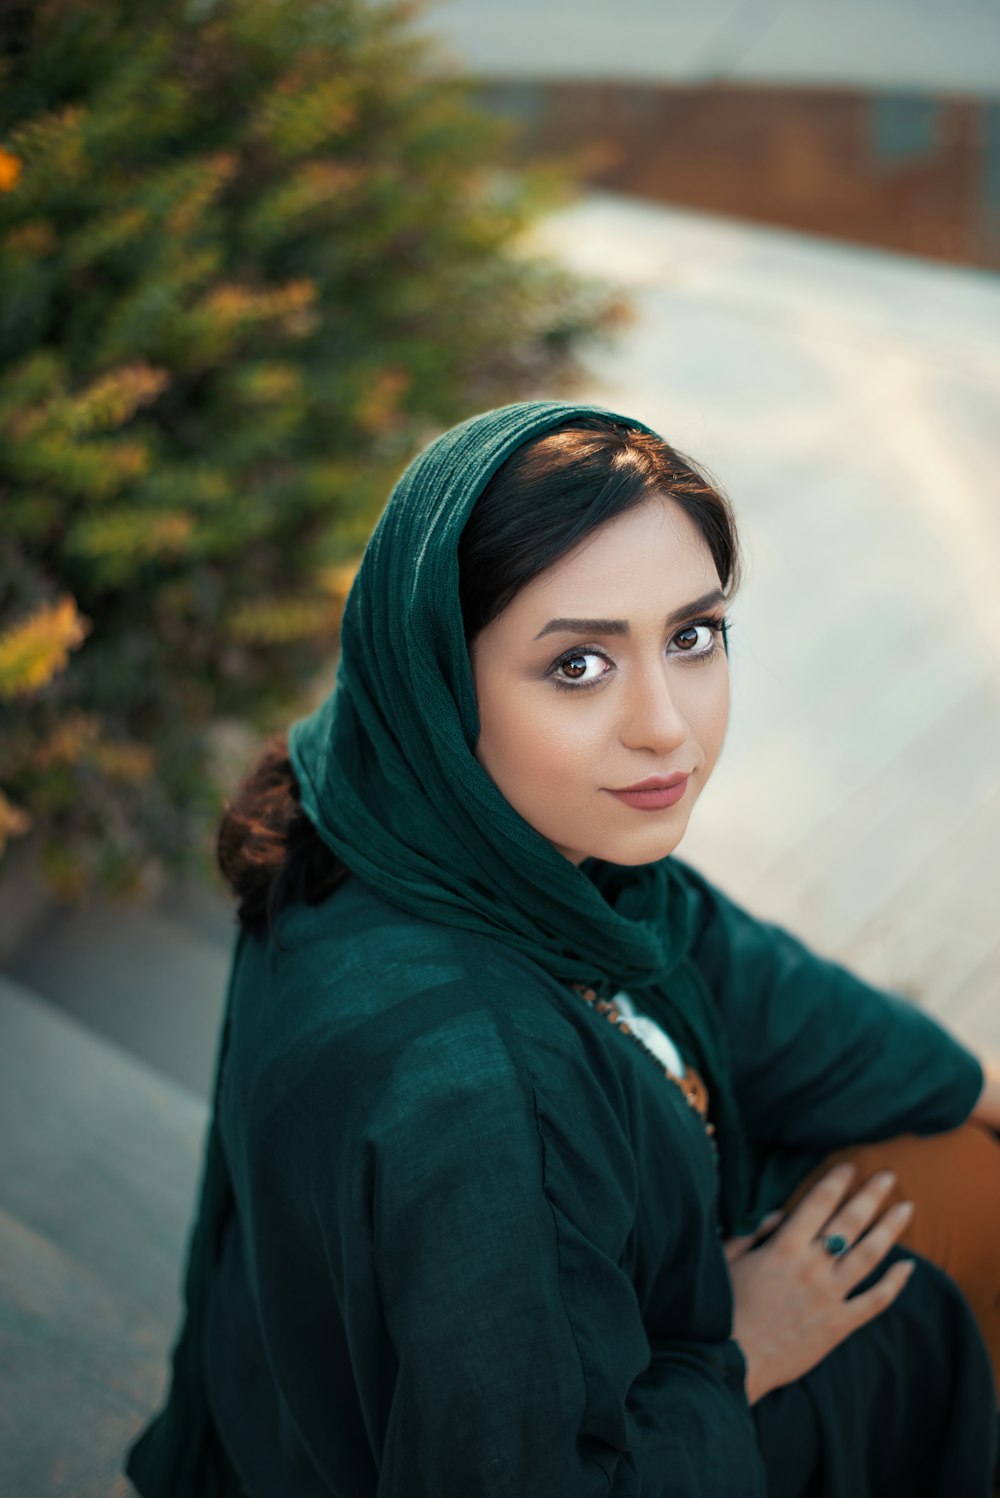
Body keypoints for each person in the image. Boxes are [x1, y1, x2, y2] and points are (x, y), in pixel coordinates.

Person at [124, 400, 1000, 1498]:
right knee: (937, 1291)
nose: (665, 726)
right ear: (444, 682)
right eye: (578, 665)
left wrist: (971, 1080)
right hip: (637, 1428)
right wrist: (745, 1352)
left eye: (691, 636)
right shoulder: (482, 1098)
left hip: (377, 1378)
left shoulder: (389, 801)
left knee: (968, 1146)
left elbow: (722, 954)